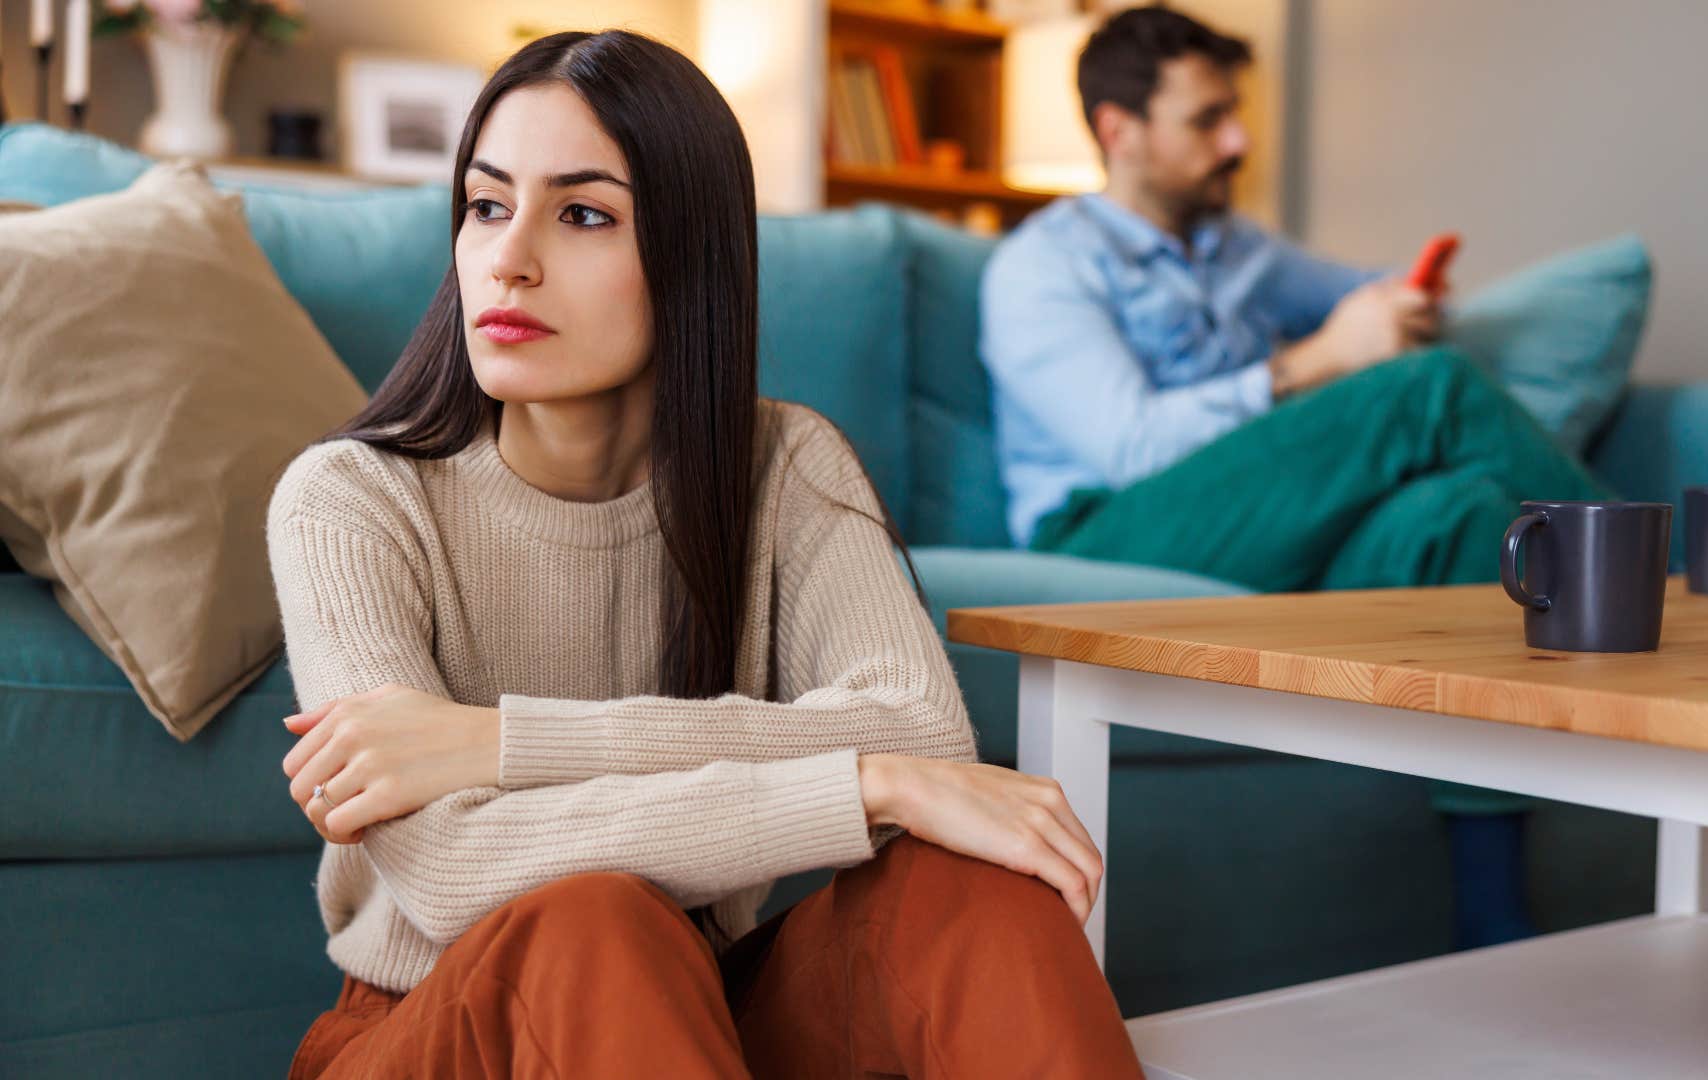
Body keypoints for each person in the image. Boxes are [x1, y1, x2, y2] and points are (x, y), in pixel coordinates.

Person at [269, 29, 1143, 1079]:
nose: (508, 258)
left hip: (691, 1018)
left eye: (583, 213)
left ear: (692, 257)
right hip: (435, 1032)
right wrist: (864, 784)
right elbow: (458, 869)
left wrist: (496, 746)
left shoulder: (788, 464)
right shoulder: (348, 498)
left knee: (968, 885)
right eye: (487, 205)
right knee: (597, 920)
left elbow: (922, 732)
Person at [978, 6, 1617, 950]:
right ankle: (1673, 590)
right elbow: (1132, 447)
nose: (1237, 140)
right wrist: (1316, 361)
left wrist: (1405, 296)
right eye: (1206, 120)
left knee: (1459, 513)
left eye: (1235, 112)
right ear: (1120, 132)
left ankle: (1493, 918)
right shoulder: (1041, 267)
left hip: (1263, 528)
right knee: (1426, 393)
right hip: (1109, 530)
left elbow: (1361, 290)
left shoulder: (1240, 251)